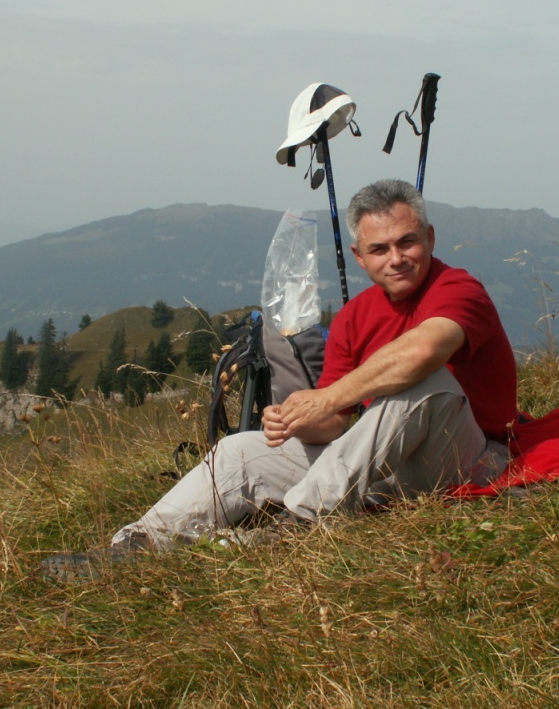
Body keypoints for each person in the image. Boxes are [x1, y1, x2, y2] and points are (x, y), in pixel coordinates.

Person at [41, 179, 517, 579]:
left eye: (407, 242)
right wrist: (296, 419)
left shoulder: (458, 288)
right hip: (389, 460)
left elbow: (422, 352)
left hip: (466, 458)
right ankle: (137, 548)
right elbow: (334, 421)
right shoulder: (354, 318)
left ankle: (298, 526)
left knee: (425, 382)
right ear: (359, 256)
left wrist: (326, 397)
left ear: (430, 238)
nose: (396, 258)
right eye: (379, 248)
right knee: (240, 449)